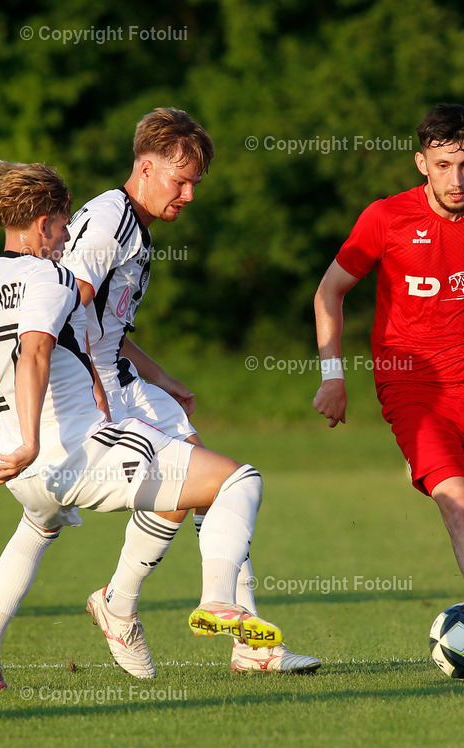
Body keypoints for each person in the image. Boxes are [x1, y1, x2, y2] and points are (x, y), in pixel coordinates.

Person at [0, 160, 285, 691]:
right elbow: (35, 352)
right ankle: (213, 599)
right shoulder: (50, 275)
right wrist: (33, 439)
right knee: (235, 480)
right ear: (46, 223)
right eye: (64, 223)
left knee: (37, 528)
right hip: (70, 449)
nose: (68, 235)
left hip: (13, 466)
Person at [60, 108, 319, 676]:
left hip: (122, 379)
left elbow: (105, 325)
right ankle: (123, 606)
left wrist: (159, 376)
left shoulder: (127, 221)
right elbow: (62, 311)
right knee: (217, 481)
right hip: (100, 386)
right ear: (146, 167)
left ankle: (241, 642)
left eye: (195, 183)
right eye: (181, 181)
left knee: (211, 483)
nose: (189, 195)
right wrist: (89, 390)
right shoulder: (110, 223)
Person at [313, 104, 464, 674]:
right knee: (461, 507)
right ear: (422, 162)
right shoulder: (385, 218)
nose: (457, 179)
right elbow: (329, 292)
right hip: (410, 389)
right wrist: (333, 376)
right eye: (444, 165)